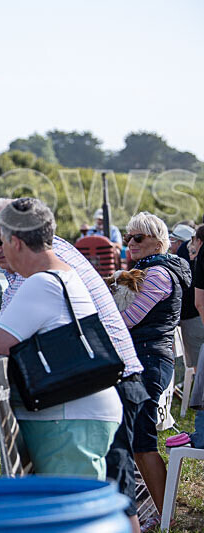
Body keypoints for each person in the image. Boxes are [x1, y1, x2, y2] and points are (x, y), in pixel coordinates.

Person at [0, 197, 145, 532]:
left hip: (68, 421)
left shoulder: (41, 282)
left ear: (15, 241)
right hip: (87, 411)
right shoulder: (65, 273)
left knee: (72, 519)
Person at [119, 212, 191, 522]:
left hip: (149, 359)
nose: (130, 244)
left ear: (158, 242)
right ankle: (164, 514)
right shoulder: (149, 269)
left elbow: (128, 320)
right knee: (139, 442)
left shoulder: (158, 273)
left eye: (138, 238)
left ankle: (166, 517)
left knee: (143, 443)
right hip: (147, 358)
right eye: (128, 238)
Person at [167, 224, 204, 450]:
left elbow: (199, 301)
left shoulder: (186, 255)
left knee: (198, 369)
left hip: (193, 318)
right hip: (193, 318)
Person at [170, 223, 204, 372]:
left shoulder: (184, 252)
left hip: (193, 317)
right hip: (196, 315)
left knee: (198, 366)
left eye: (172, 241)